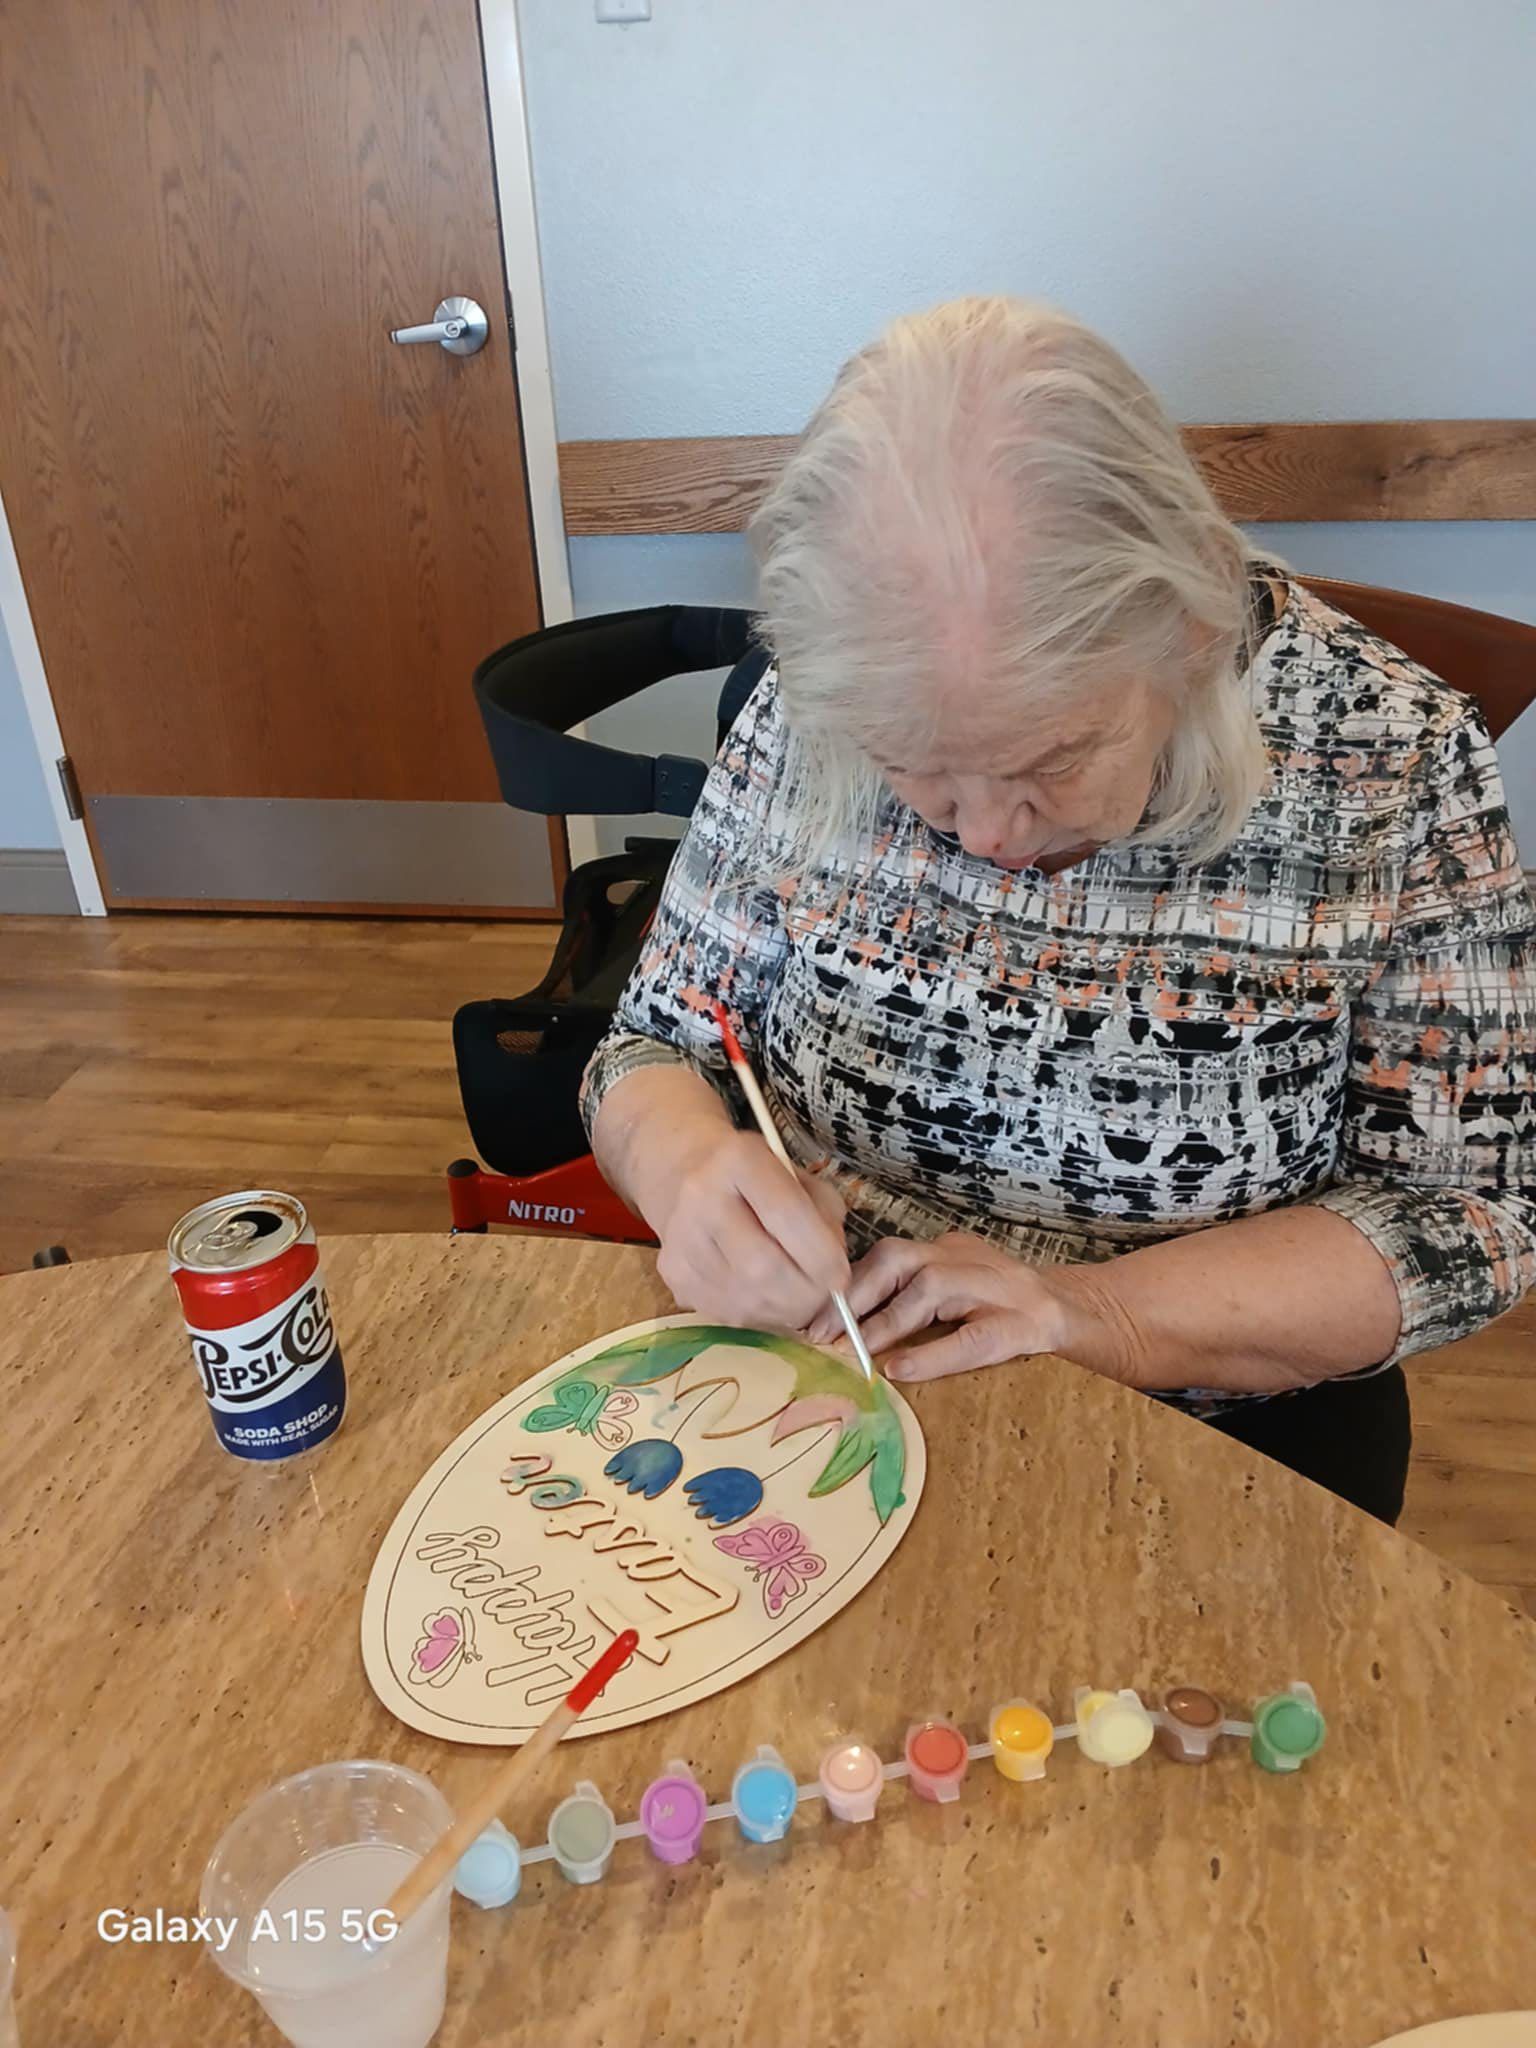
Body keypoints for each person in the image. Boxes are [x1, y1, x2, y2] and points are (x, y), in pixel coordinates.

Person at [579, 295, 1536, 1525]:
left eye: (1049, 762)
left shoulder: (1391, 757)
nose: (982, 834)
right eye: (914, 769)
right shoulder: (805, 713)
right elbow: (653, 1041)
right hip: (817, 1390)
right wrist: (685, 1165)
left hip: (1197, 1430)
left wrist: (1096, 1311)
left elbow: (1471, 1215)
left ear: (1190, 629)